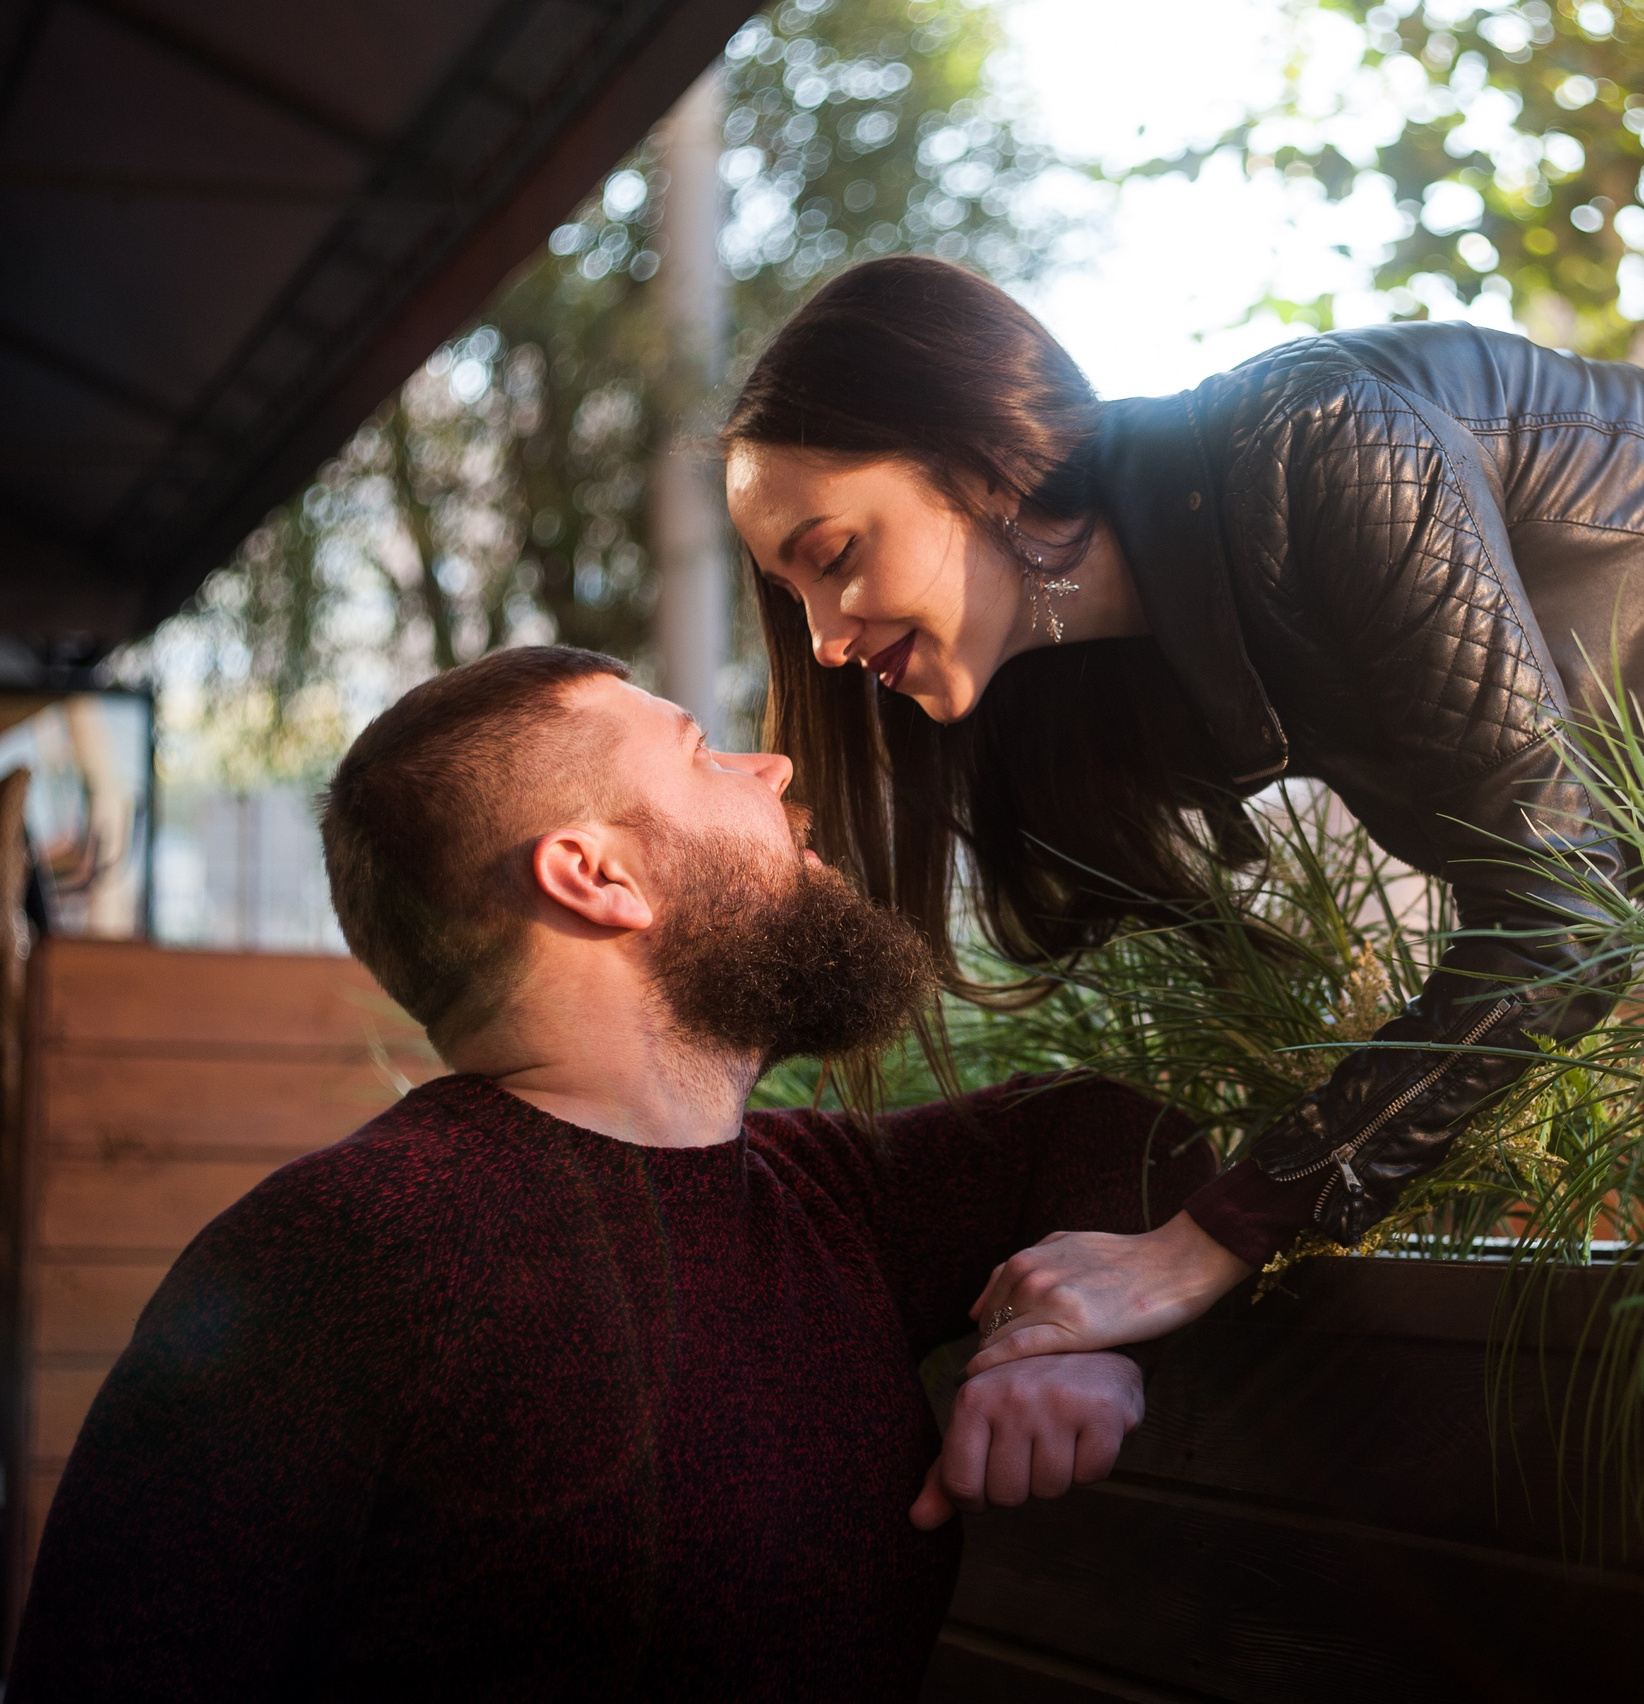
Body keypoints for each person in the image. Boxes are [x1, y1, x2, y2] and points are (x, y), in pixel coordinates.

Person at [722, 256, 1644, 1374]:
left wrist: (1206, 1241)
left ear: (980, 457)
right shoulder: (1128, 660)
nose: (826, 638)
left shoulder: (1324, 448)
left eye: (833, 555)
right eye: (793, 596)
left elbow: (1566, 921)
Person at [7, 646, 1210, 1701]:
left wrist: (1090, 1329)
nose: (773, 766)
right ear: (594, 875)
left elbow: (1120, 1126)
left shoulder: (830, 1197)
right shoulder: (332, 1257)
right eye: (701, 753)